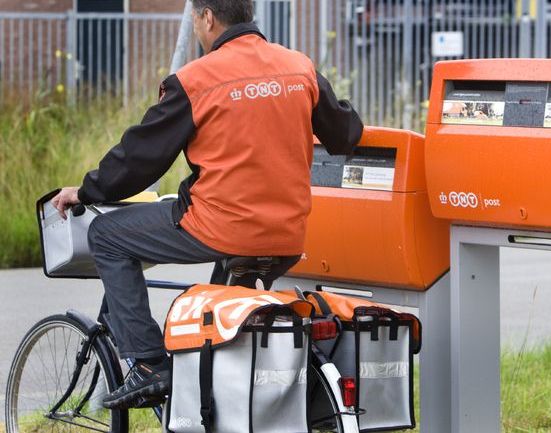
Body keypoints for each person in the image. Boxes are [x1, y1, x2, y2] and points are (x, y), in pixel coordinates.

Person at [50, 0, 363, 409]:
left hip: (220, 227)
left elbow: (139, 159)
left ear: (207, 17)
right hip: (286, 234)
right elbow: (346, 134)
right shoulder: (298, 67)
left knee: (107, 235)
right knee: (216, 335)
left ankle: (147, 366)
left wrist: (88, 191)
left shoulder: (195, 79)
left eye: (197, 19)